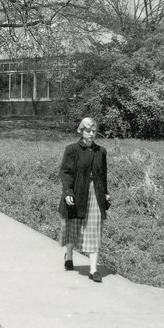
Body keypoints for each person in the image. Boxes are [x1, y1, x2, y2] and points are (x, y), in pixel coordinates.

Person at [59, 117, 110, 283]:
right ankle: (69, 255)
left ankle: (93, 269)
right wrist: (67, 192)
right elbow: (65, 172)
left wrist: (106, 193)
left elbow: (103, 175)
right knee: (73, 226)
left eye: (94, 131)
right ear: (81, 131)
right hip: (77, 192)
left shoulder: (101, 151)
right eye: (88, 130)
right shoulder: (72, 149)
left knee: (94, 228)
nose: (91, 134)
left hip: (95, 193)